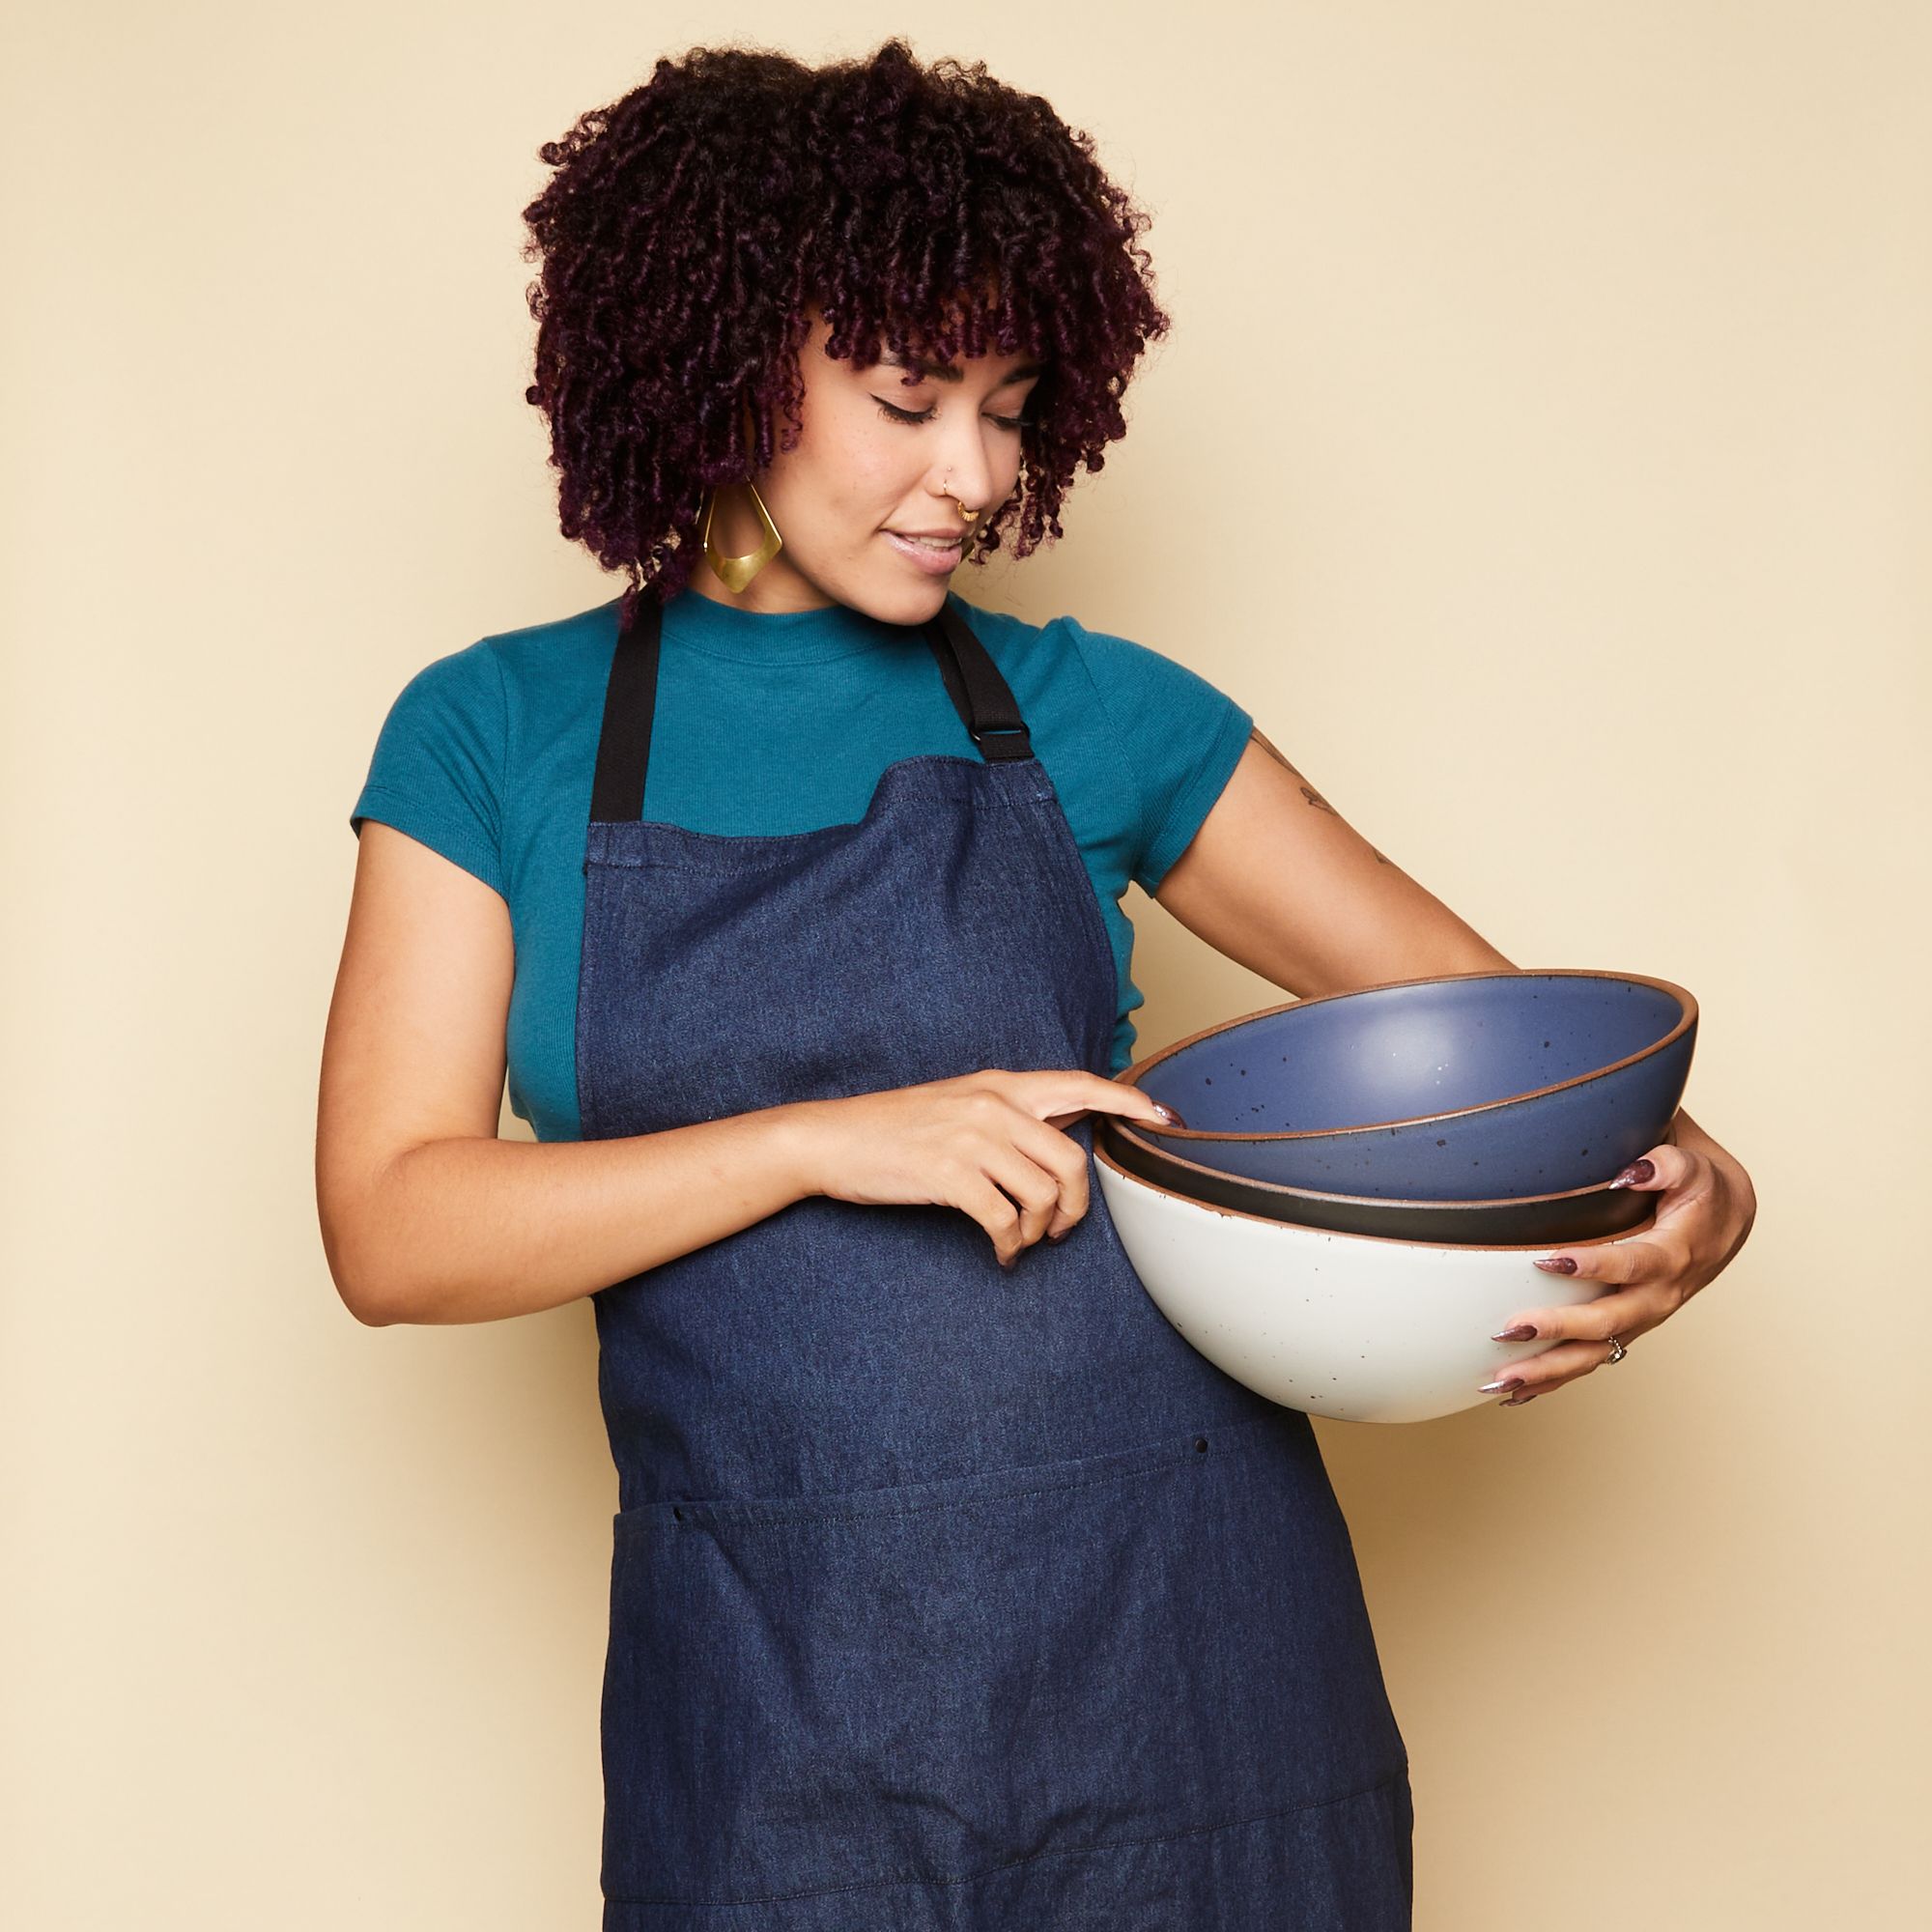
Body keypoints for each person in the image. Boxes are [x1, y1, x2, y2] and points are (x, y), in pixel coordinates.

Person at [316, 39, 1757, 1930]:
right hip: (778, 1707)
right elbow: (393, 1226)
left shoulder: (1099, 713)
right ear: (724, 363)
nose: (976, 477)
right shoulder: (494, 731)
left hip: (1199, 1668)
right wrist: (822, 1140)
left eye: (1007, 410)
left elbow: (1505, 1056)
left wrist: (1698, 1190)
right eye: (909, 402)